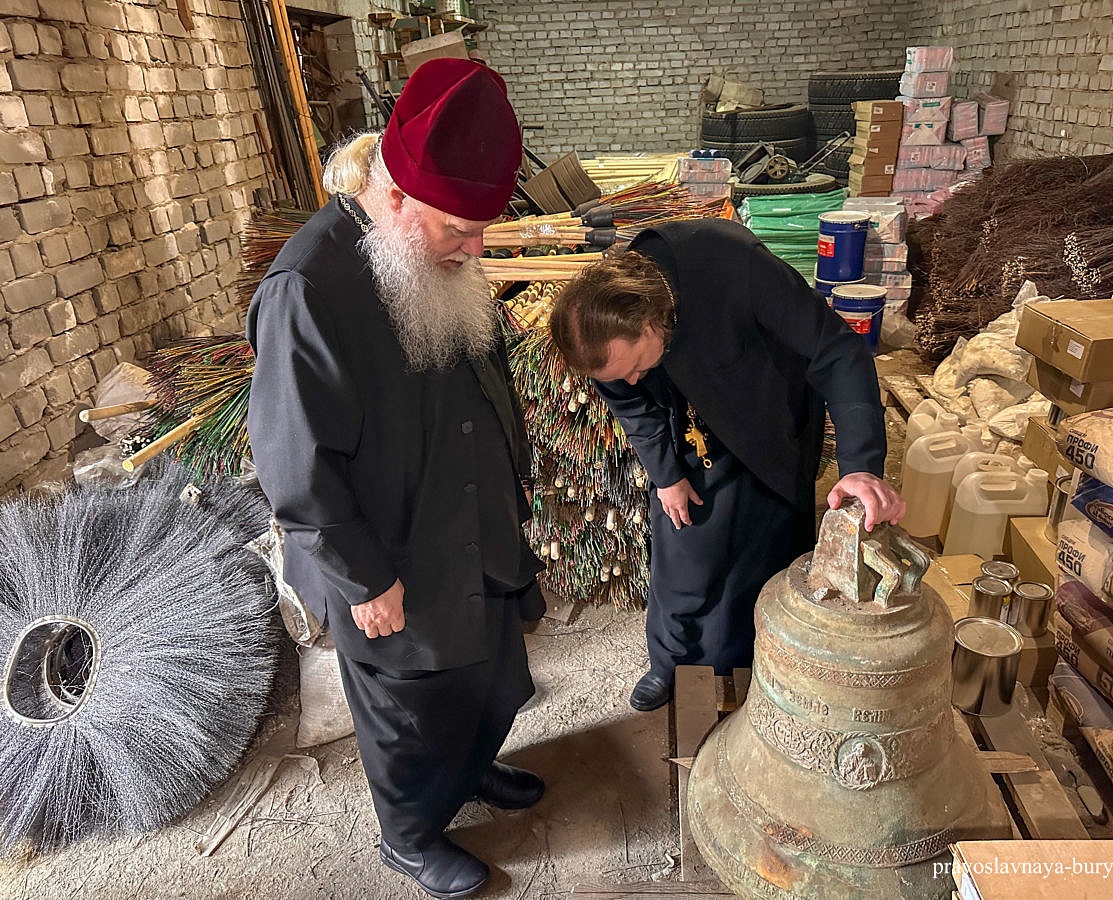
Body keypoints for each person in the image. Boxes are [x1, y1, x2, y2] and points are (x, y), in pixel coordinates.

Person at [246, 59, 545, 900]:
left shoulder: (438, 252)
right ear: (399, 198)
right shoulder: (309, 288)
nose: (476, 249)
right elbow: (293, 461)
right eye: (459, 229)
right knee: (410, 703)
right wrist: (364, 576)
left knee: (483, 671)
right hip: (391, 550)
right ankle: (410, 835)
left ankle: (470, 773)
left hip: (472, 518)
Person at [549, 219, 905, 712]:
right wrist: (666, 474)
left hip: (768, 414)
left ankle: (745, 670)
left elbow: (838, 353)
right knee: (684, 551)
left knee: (764, 555)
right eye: (619, 377)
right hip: (691, 425)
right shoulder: (605, 334)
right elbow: (631, 404)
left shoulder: (732, 267)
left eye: (632, 367)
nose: (628, 382)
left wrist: (861, 464)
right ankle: (668, 664)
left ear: (651, 324)